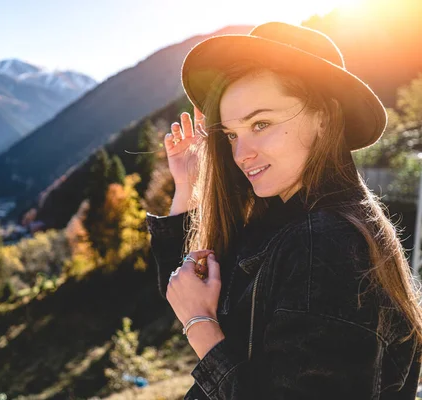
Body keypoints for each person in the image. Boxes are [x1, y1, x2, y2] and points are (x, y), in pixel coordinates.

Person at [145, 22, 422, 399]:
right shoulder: (288, 223)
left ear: (323, 118)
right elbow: (186, 290)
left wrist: (201, 326)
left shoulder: (324, 242)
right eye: (231, 134)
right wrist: (189, 189)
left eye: (261, 124)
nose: (241, 154)